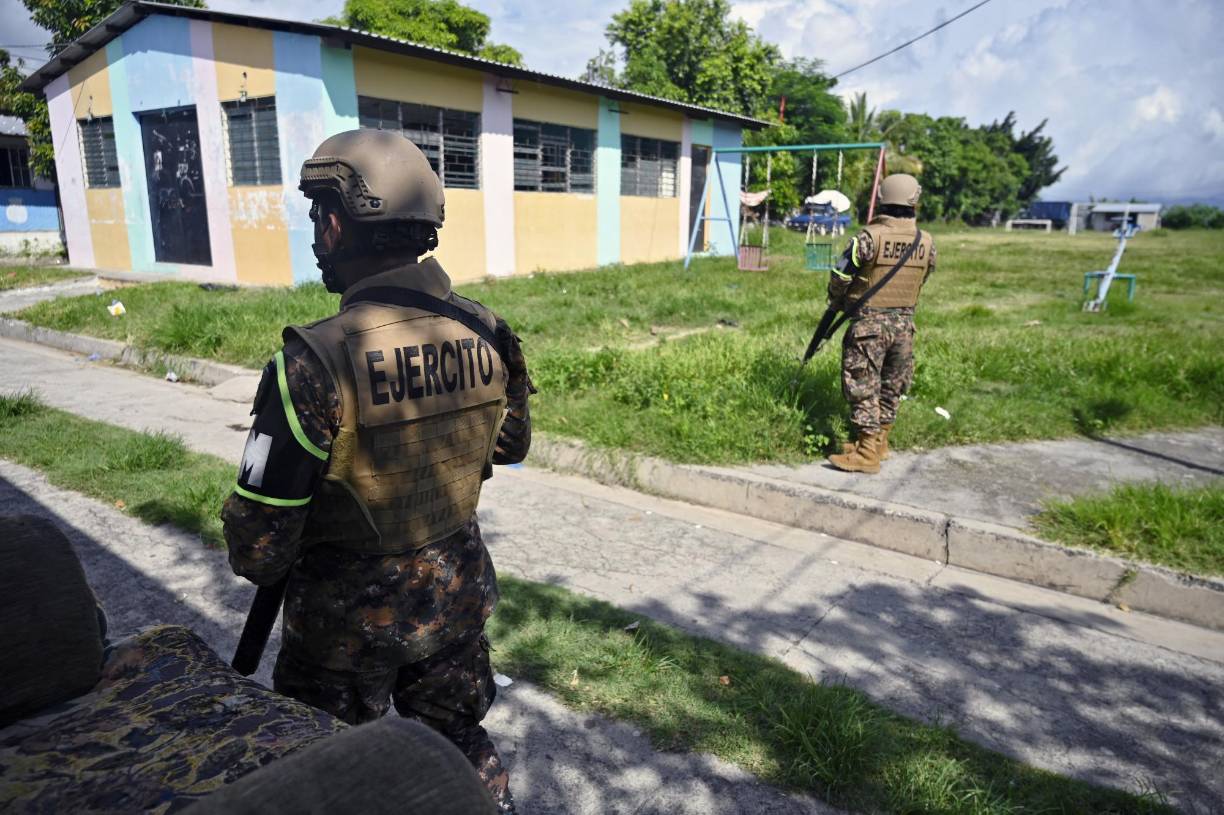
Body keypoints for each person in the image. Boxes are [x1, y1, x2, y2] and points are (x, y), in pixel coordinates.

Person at [220, 129, 532, 814]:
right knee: (459, 751)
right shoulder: (488, 330)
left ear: (337, 225)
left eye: (317, 216)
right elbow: (510, 444)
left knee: (329, 778)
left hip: (340, 634)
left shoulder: (311, 363)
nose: (315, 234)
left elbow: (258, 548)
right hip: (454, 604)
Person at [827, 173, 936, 474]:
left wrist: (837, 301)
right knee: (891, 385)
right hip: (905, 326)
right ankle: (880, 443)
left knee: (862, 384)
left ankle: (866, 454)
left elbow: (841, 276)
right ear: (914, 202)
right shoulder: (926, 241)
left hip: (869, 326)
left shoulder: (868, 238)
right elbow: (924, 277)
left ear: (883, 200)